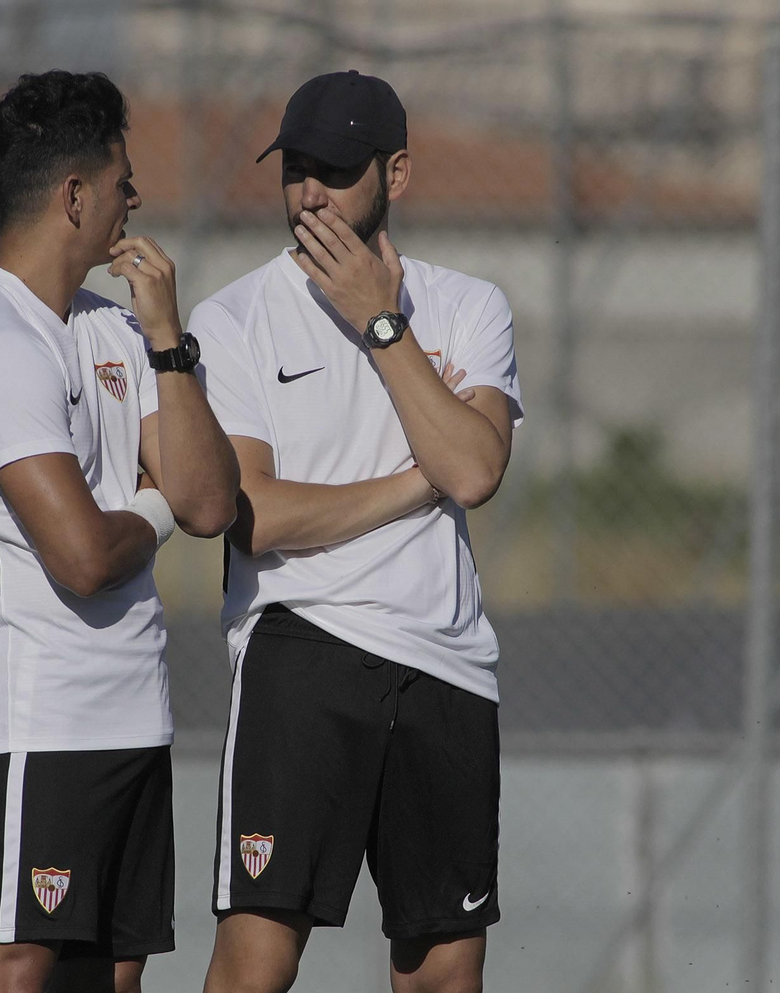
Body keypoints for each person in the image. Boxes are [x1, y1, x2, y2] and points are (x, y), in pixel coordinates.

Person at [190, 70, 521, 993]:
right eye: (296, 169)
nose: (310, 194)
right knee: (256, 962)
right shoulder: (233, 318)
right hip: (302, 647)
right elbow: (255, 515)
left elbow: (481, 472)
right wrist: (422, 479)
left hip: (446, 666)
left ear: (396, 174)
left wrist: (380, 322)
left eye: (335, 171)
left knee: (442, 974)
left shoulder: (468, 307)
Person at [0, 70, 238, 993]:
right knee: (16, 965)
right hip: (40, 714)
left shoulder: (118, 330)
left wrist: (170, 338)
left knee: (113, 975)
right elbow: (87, 556)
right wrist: (151, 502)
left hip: (136, 711)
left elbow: (211, 503)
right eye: (123, 180)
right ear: (74, 195)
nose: (136, 200)